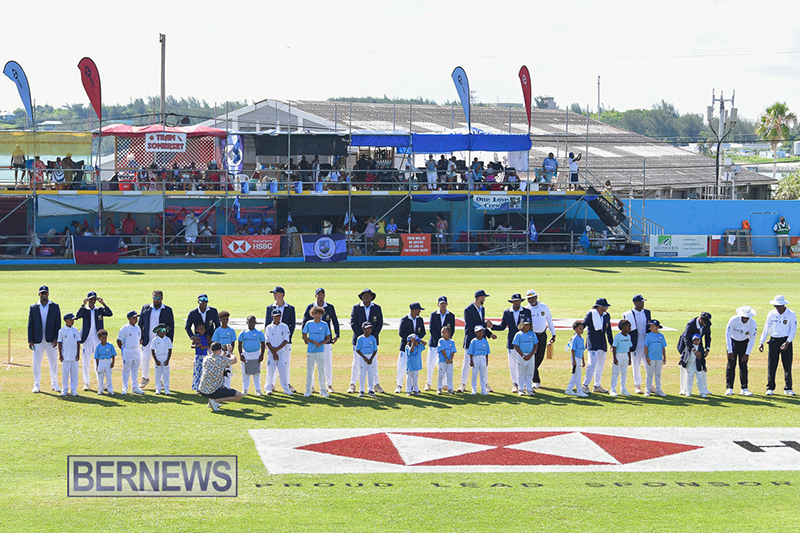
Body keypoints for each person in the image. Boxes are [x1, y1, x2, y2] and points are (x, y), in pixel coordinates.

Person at [492, 293, 533, 393]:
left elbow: (530, 327)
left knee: (524, 364)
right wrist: (492, 326)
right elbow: (502, 326)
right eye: (515, 301)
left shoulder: (526, 311)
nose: (517, 303)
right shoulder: (507, 312)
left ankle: (525, 385)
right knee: (513, 364)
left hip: (523, 342)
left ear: (521, 301)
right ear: (512, 302)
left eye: (518, 301)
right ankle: (515, 384)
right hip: (511, 342)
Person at [302, 288, 340, 394]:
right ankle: (312, 386)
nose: (320, 296)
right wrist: (305, 338)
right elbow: (305, 321)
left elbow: (335, 321)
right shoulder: (310, 307)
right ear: (315, 296)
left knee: (327, 363)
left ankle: (328, 385)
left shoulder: (330, 307)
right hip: (313, 342)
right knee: (312, 366)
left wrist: (337, 334)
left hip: (326, 342)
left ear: (324, 295)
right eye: (319, 294)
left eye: (322, 294)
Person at [458, 290, 497, 393]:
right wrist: (485, 325)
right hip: (471, 340)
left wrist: (489, 334)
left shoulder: (482, 309)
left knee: (483, 363)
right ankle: (463, 383)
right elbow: (471, 325)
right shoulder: (468, 310)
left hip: (481, 341)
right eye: (484, 297)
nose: (484, 299)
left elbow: (481, 324)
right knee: (467, 363)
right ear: (480, 297)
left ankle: (485, 383)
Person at [348, 288, 385, 394]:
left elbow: (379, 323)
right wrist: (363, 337)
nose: (366, 297)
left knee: (373, 363)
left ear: (371, 297)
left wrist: (371, 337)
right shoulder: (356, 308)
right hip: (359, 341)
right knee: (356, 363)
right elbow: (353, 323)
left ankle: (376, 384)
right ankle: (353, 384)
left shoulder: (377, 308)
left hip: (372, 341)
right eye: (364, 295)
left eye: (368, 295)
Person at [759, 295, 797, 396]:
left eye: (779, 306)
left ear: (784, 305)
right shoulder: (772, 313)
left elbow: (793, 329)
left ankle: (788, 388)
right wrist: (761, 341)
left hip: (786, 341)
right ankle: (770, 387)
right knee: (772, 365)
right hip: (774, 341)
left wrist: (787, 342)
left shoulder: (791, 314)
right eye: (775, 305)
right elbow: (766, 327)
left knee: (787, 365)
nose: (777, 307)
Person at [76, 291, 113, 391]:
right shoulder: (85, 310)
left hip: (97, 339)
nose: (92, 302)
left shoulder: (99, 310)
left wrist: (103, 304)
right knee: (86, 362)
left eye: (94, 300)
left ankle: (101, 383)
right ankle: (86, 383)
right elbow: (78, 315)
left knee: (99, 362)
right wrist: (83, 305)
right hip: (87, 339)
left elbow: (110, 313)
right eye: (90, 300)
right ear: (88, 300)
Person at [28, 285, 61, 393]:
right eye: (42, 293)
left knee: (53, 363)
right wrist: (30, 340)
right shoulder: (33, 307)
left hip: (51, 340)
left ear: (48, 294)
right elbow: (30, 324)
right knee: (36, 363)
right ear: (39, 294)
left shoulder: (55, 306)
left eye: (45, 293)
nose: (44, 295)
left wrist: (56, 338)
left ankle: (54, 383)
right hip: (37, 340)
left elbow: (58, 324)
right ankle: (36, 384)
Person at [139, 290, 174, 390]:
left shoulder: (167, 310)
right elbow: (140, 323)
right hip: (147, 339)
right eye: (154, 297)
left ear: (162, 298)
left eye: (158, 298)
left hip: (161, 340)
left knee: (161, 360)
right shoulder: (145, 308)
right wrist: (140, 337)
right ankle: (144, 378)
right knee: (145, 358)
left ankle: (160, 382)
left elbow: (171, 325)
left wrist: (169, 340)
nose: (156, 300)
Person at [265, 286, 296, 392]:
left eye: (276, 293)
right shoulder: (270, 308)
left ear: (281, 294)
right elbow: (267, 325)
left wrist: (287, 339)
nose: (274, 295)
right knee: (271, 364)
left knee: (285, 363)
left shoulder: (290, 308)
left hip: (284, 342)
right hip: (272, 342)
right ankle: (271, 385)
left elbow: (292, 325)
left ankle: (286, 384)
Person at [525, 289, 556, 389]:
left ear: (536, 297)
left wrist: (553, 333)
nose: (531, 300)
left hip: (542, 334)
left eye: (533, 297)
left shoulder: (544, 307)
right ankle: (536, 380)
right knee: (532, 357)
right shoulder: (526, 309)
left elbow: (549, 320)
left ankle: (530, 374)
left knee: (540, 356)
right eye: (529, 298)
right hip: (532, 336)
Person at [199, 341, 244, 412]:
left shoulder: (206, 358)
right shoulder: (222, 360)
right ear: (220, 350)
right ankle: (215, 400)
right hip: (214, 390)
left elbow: (217, 360)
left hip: (202, 390)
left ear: (211, 350)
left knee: (217, 387)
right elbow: (234, 360)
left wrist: (223, 354)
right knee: (239, 395)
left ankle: (212, 401)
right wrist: (230, 352)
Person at [582, 298, 614, 394]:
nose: (607, 308)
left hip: (602, 343)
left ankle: (597, 385)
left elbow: (608, 330)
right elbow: (583, 325)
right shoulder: (591, 314)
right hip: (592, 343)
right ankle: (585, 385)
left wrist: (611, 343)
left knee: (600, 366)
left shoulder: (606, 316)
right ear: (600, 307)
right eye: (605, 306)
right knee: (591, 365)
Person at [677, 312, 712, 396]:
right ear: (700, 320)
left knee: (701, 365)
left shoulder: (706, 325)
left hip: (698, 344)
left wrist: (707, 349)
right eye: (705, 322)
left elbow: (708, 337)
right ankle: (684, 389)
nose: (706, 325)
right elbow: (686, 338)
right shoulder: (691, 324)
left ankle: (704, 388)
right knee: (685, 366)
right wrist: (693, 350)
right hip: (686, 345)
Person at [725, 306, 758, 396]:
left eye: (747, 317)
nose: (745, 319)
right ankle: (729, 388)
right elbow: (727, 335)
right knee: (731, 365)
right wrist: (730, 350)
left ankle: (744, 388)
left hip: (744, 343)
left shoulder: (753, 323)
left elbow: (752, 339)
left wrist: (747, 353)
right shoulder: (733, 320)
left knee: (743, 365)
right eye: (743, 317)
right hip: (733, 342)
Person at [622, 295, 652, 394]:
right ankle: (637, 385)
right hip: (636, 342)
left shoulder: (647, 312)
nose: (642, 304)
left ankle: (650, 384)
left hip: (646, 341)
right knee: (636, 364)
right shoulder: (629, 314)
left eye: (643, 302)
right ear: (635, 303)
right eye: (641, 302)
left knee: (648, 363)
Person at [426, 296, 456, 392]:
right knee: (431, 364)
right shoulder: (433, 315)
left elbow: (452, 330)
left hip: (446, 345)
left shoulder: (451, 315)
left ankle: (445, 384)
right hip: (434, 343)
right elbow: (431, 329)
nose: (443, 306)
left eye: (444, 304)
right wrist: (440, 341)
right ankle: (428, 383)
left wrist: (445, 341)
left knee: (444, 364)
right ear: (438, 304)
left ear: (447, 304)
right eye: (441, 304)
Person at [301, 306, 332, 397]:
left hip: (320, 350)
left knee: (321, 370)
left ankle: (323, 390)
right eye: (315, 314)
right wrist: (312, 341)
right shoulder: (309, 324)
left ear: (321, 314)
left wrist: (321, 343)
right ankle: (308, 390)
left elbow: (328, 338)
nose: (317, 315)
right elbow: (304, 336)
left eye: (319, 314)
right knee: (310, 370)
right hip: (311, 350)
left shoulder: (324, 325)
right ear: (312, 314)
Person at [396, 303, 427, 393]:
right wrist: (410, 340)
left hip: (415, 347)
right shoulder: (404, 319)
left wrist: (417, 340)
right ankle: (399, 385)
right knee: (402, 366)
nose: (420, 311)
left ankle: (413, 386)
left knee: (413, 368)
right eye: (418, 310)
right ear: (413, 310)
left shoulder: (420, 320)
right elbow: (401, 333)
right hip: (405, 347)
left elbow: (423, 332)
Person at [265, 309, 292, 396]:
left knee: (283, 370)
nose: (277, 318)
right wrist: (273, 351)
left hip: (281, 352)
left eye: (279, 316)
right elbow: (267, 340)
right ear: (272, 317)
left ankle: (286, 388)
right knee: (270, 370)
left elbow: (286, 340)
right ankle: (268, 388)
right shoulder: (269, 327)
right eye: (276, 316)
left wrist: (276, 350)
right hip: (271, 353)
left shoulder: (284, 326)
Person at [117, 311, 144, 395]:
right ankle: (124, 387)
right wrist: (123, 349)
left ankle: (135, 387)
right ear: (129, 318)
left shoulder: (138, 328)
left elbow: (138, 339)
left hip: (136, 350)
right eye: (134, 317)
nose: (136, 319)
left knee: (135, 369)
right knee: (126, 369)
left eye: (136, 317)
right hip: (127, 350)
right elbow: (118, 340)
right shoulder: (124, 328)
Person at [238, 315, 265, 396]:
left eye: (253, 322)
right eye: (250, 322)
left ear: (255, 323)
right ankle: (245, 389)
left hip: (256, 354)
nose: (251, 324)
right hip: (246, 354)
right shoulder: (243, 332)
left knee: (256, 373)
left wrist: (262, 355)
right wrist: (241, 354)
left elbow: (263, 344)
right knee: (245, 373)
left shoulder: (259, 332)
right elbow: (239, 343)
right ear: (247, 322)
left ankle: (258, 390)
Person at [512, 318, 538, 396]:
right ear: (522, 325)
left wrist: (531, 354)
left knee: (530, 373)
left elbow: (535, 345)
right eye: (525, 325)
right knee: (521, 373)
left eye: (528, 325)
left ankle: (529, 390)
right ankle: (521, 389)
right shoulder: (518, 334)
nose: (527, 327)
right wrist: (523, 355)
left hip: (531, 356)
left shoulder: (532, 334)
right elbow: (516, 346)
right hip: (521, 356)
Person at [211, 311, 237, 388]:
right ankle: (219, 387)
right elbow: (214, 342)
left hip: (228, 352)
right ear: (220, 320)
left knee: (228, 370)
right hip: (220, 352)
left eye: (227, 319)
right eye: (224, 319)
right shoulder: (218, 330)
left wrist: (230, 352)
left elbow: (233, 342)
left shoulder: (231, 330)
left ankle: (227, 387)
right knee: (219, 371)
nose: (225, 321)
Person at [57, 313, 81, 397]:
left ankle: (74, 389)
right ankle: (65, 389)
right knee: (65, 373)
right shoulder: (62, 331)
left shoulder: (76, 330)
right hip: (66, 355)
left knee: (74, 373)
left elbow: (78, 342)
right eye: (71, 320)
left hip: (74, 356)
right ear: (66, 320)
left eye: (73, 320)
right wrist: (60, 354)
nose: (72, 321)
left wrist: (78, 353)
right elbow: (59, 343)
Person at [644, 320, 667, 397]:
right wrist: (646, 356)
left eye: (653, 326)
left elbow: (663, 347)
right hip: (651, 358)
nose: (651, 328)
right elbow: (646, 346)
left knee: (658, 374)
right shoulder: (649, 336)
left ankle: (658, 390)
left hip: (659, 358)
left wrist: (664, 357)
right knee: (649, 374)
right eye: (650, 326)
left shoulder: (661, 336)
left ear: (657, 327)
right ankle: (647, 390)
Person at [610, 319, 633, 396]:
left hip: (625, 355)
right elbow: (614, 347)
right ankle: (612, 389)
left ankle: (623, 389)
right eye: (628, 327)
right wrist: (615, 358)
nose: (630, 329)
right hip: (618, 355)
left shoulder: (629, 336)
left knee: (624, 373)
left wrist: (629, 358)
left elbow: (629, 348)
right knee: (615, 373)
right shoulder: (618, 336)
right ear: (623, 327)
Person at [355, 322, 378, 398]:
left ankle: (370, 390)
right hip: (363, 357)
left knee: (371, 374)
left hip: (370, 356)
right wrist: (364, 357)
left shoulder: (373, 338)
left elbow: (375, 349)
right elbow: (357, 349)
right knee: (362, 374)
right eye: (367, 328)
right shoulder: (360, 338)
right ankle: (361, 390)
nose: (369, 330)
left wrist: (371, 358)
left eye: (370, 328)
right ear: (363, 329)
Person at [565, 321, 588, 397]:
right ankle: (578, 390)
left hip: (579, 358)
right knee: (577, 375)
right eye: (580, 329)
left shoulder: (581, 338)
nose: (582, 330)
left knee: (576, 374)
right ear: (575, 329)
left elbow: (582, 350)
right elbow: (573, 350)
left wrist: (583, 361)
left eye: (582, 328)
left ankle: (569, 389)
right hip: (576, 358)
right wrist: (574, 360)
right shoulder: (575, 339)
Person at [467, 326, 491, 395]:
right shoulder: (473, 341)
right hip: (476, 358)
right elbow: (471, 352)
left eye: (482, 331)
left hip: (482, 357)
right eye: (479, 331)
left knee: (483, 374)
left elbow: (487, 352)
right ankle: (474, 388)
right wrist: (471, 360)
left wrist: (486, 361)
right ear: (476, 332)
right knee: (474, 373)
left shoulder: (485, 341)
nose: (481, 333)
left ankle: (483, 389)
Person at [150, 324, 173, 395]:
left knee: (166, 374)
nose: (164, 332)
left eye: (165, 330)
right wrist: (156, 360)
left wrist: (168, 360)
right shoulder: (155, 340)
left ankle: (166, 389)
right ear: (158, 331)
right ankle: (158, 389)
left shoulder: (167, 339)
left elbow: (170, 350)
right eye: (162, 330)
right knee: (158, 374)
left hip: (165, 356)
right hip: (158, 357)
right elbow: (153, 350)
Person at [94, 329, 117, 395]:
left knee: (108, 376)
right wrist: (97, 365)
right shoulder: (98, 347)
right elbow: (96, 357)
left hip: (108, 361)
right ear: (99, 338)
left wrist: (113, 362)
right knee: (100, 376)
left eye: (105, 338)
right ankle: (100, 390)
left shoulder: (110, 345)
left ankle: (110, 390)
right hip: (101, 362)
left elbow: (113, 354)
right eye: (102, 338)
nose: (104, 339)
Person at [436, 325, 457, 394]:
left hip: (449, 362)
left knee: (449, 374)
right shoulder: (441, 341)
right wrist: (446, 358)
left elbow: (453, 351)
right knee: (441, 374)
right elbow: (442, 349)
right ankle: (439, 388)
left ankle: (450, 388)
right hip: (442, 360)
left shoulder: (452, 342)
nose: (442, 334)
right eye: (442, 333)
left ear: (449, 333)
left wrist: (451, 359)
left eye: (444, 333)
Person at [191, 323, 210, 392]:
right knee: (197, 372)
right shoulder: (196, 337)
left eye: (203, 329)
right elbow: (192, 346)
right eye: (200, 329)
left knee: (204, 372)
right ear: (197, 330)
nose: (202, 331)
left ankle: (204, 387)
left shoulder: (206, 337)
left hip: (205, 356)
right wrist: (197, 346)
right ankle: (197, 387)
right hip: (198, 356)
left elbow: (209, 346)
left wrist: (204, 347)